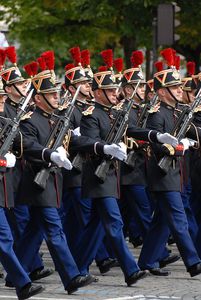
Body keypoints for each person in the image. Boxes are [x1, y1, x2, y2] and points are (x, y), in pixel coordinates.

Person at [71, 51, 178, 286]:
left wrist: (156, 135)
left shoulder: (114, 112)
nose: (114, 94)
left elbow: (132, 130)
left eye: (114, 90)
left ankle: (76, 269)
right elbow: (83, 141)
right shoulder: (91, 115)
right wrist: (105, 148)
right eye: (109, 91)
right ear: (98, 92)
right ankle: (131, 269)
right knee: (114, 222)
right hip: (98, 177)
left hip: (111, 176)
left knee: (96, 226)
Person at [138, 48, 201, 278]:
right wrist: (178, 145)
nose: (179, 91)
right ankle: (193, 261)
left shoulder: (179, 111)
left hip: (177, 174)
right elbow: (156, 144)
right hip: (163, 174)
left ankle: (147, 260)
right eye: (174, 88)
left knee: (162, 222)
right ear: (162, 92)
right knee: (178, 219)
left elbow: (194, 132)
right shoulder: (158, 114)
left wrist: (189, 142)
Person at [0, 77, 43, 300]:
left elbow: (25, 143)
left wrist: (48, 154)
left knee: (4, 238)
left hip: (3, 190)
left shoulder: (7, 121)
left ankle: (22, 283)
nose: (2, 101)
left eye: (2, 98)